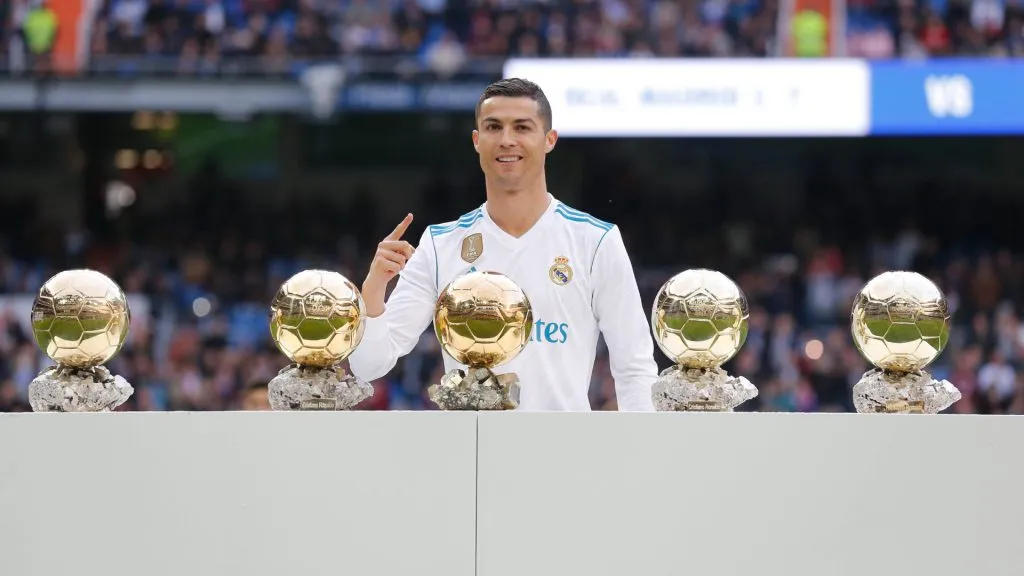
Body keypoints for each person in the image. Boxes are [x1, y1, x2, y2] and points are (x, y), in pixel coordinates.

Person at [347, 78, 657, 411]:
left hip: (564, 444)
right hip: (470, 445)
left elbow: (634, 369)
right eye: (494, 127)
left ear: (549, 140)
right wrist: (374, 287)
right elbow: (369, 366)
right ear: (477, 141)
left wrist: (643, 443)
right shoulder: (440, 244)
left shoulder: (595, 241)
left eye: (522, 127)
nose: (507, 140)